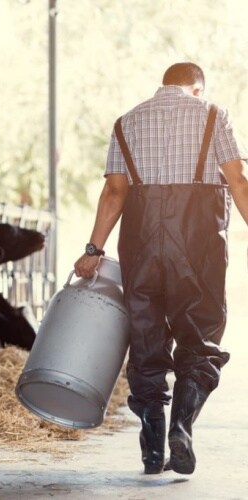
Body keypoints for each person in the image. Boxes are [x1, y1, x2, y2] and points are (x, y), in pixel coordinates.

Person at [74, 62, 248, 475]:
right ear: (197, 87)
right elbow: (238, 180)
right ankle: (181, 428)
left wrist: (93, 249)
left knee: (146, 336)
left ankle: (153, 443)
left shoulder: (126, 123)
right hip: (199, 245)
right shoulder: (213, 114)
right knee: (200, 336)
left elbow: (115, 191)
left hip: (141, 244)